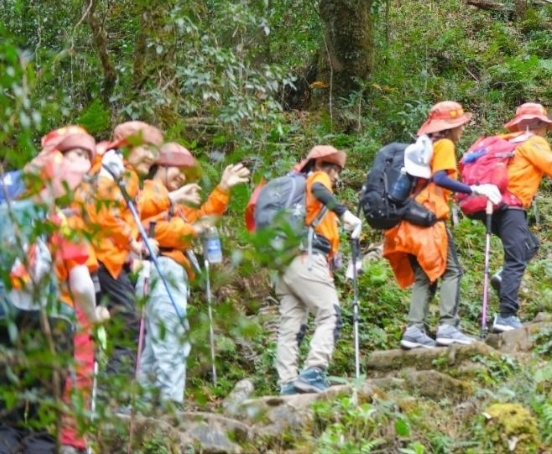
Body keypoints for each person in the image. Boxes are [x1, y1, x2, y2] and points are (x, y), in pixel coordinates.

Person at [1, 128, 108, 454]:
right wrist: (94, 315)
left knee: (6, 414)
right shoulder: (62, 223)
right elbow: (80, 284)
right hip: (52, 322)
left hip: (7, 319)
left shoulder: (6, 214)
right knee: (45, 421)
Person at [134, 144, 249, 406]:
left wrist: (223, 189)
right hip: (160, 268)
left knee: (157, 344)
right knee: (172, 340)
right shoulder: (149, 194)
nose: (182, 177)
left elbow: (202, 220)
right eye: (178, 170)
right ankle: (170, 409)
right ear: (160, 166)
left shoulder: (171, 202)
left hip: (166, 272)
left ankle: (140, 408)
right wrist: (191, 230)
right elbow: (154, 230)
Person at [383, 102, 501, 349]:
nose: (462, 130)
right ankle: (448, 326)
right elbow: (440, 178)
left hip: (409, 219)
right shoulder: (445, 144)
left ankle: (414, 329)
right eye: (460, 125)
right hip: (429, 219)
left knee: (425, 276)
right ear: (451, 127)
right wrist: (474, 189)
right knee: (452, 271)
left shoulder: (426, 146)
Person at [81, 120, 165, 387]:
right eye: (146, 149)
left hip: (106, 261)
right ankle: (109, 399)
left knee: (118, 328)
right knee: (129, 329)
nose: (151, 157)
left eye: (155, 151)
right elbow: (102, 213)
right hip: (105, 261)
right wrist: (133, 242)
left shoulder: (118, 171)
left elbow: (130, 211)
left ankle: (104, 397)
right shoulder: (116, 172)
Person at [273, 145, 362, 395]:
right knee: (330, 314)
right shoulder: (317, 177)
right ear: (325, 165)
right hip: (307, 259)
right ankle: (314, 371)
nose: (337, 177)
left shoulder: (295, 194)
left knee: (291, 325)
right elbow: (320, 188)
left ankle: (287, 383)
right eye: (336, 171)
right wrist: (346, 215)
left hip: (283, 263)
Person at [484, 103, 552, 330]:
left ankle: (503, 276)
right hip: (511, 205)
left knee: (529, 244)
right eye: (544, 125)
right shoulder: (532, 141)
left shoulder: (506, 142)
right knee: (517, 258)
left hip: (488, 204)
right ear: (538, 125)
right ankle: (506, 316)